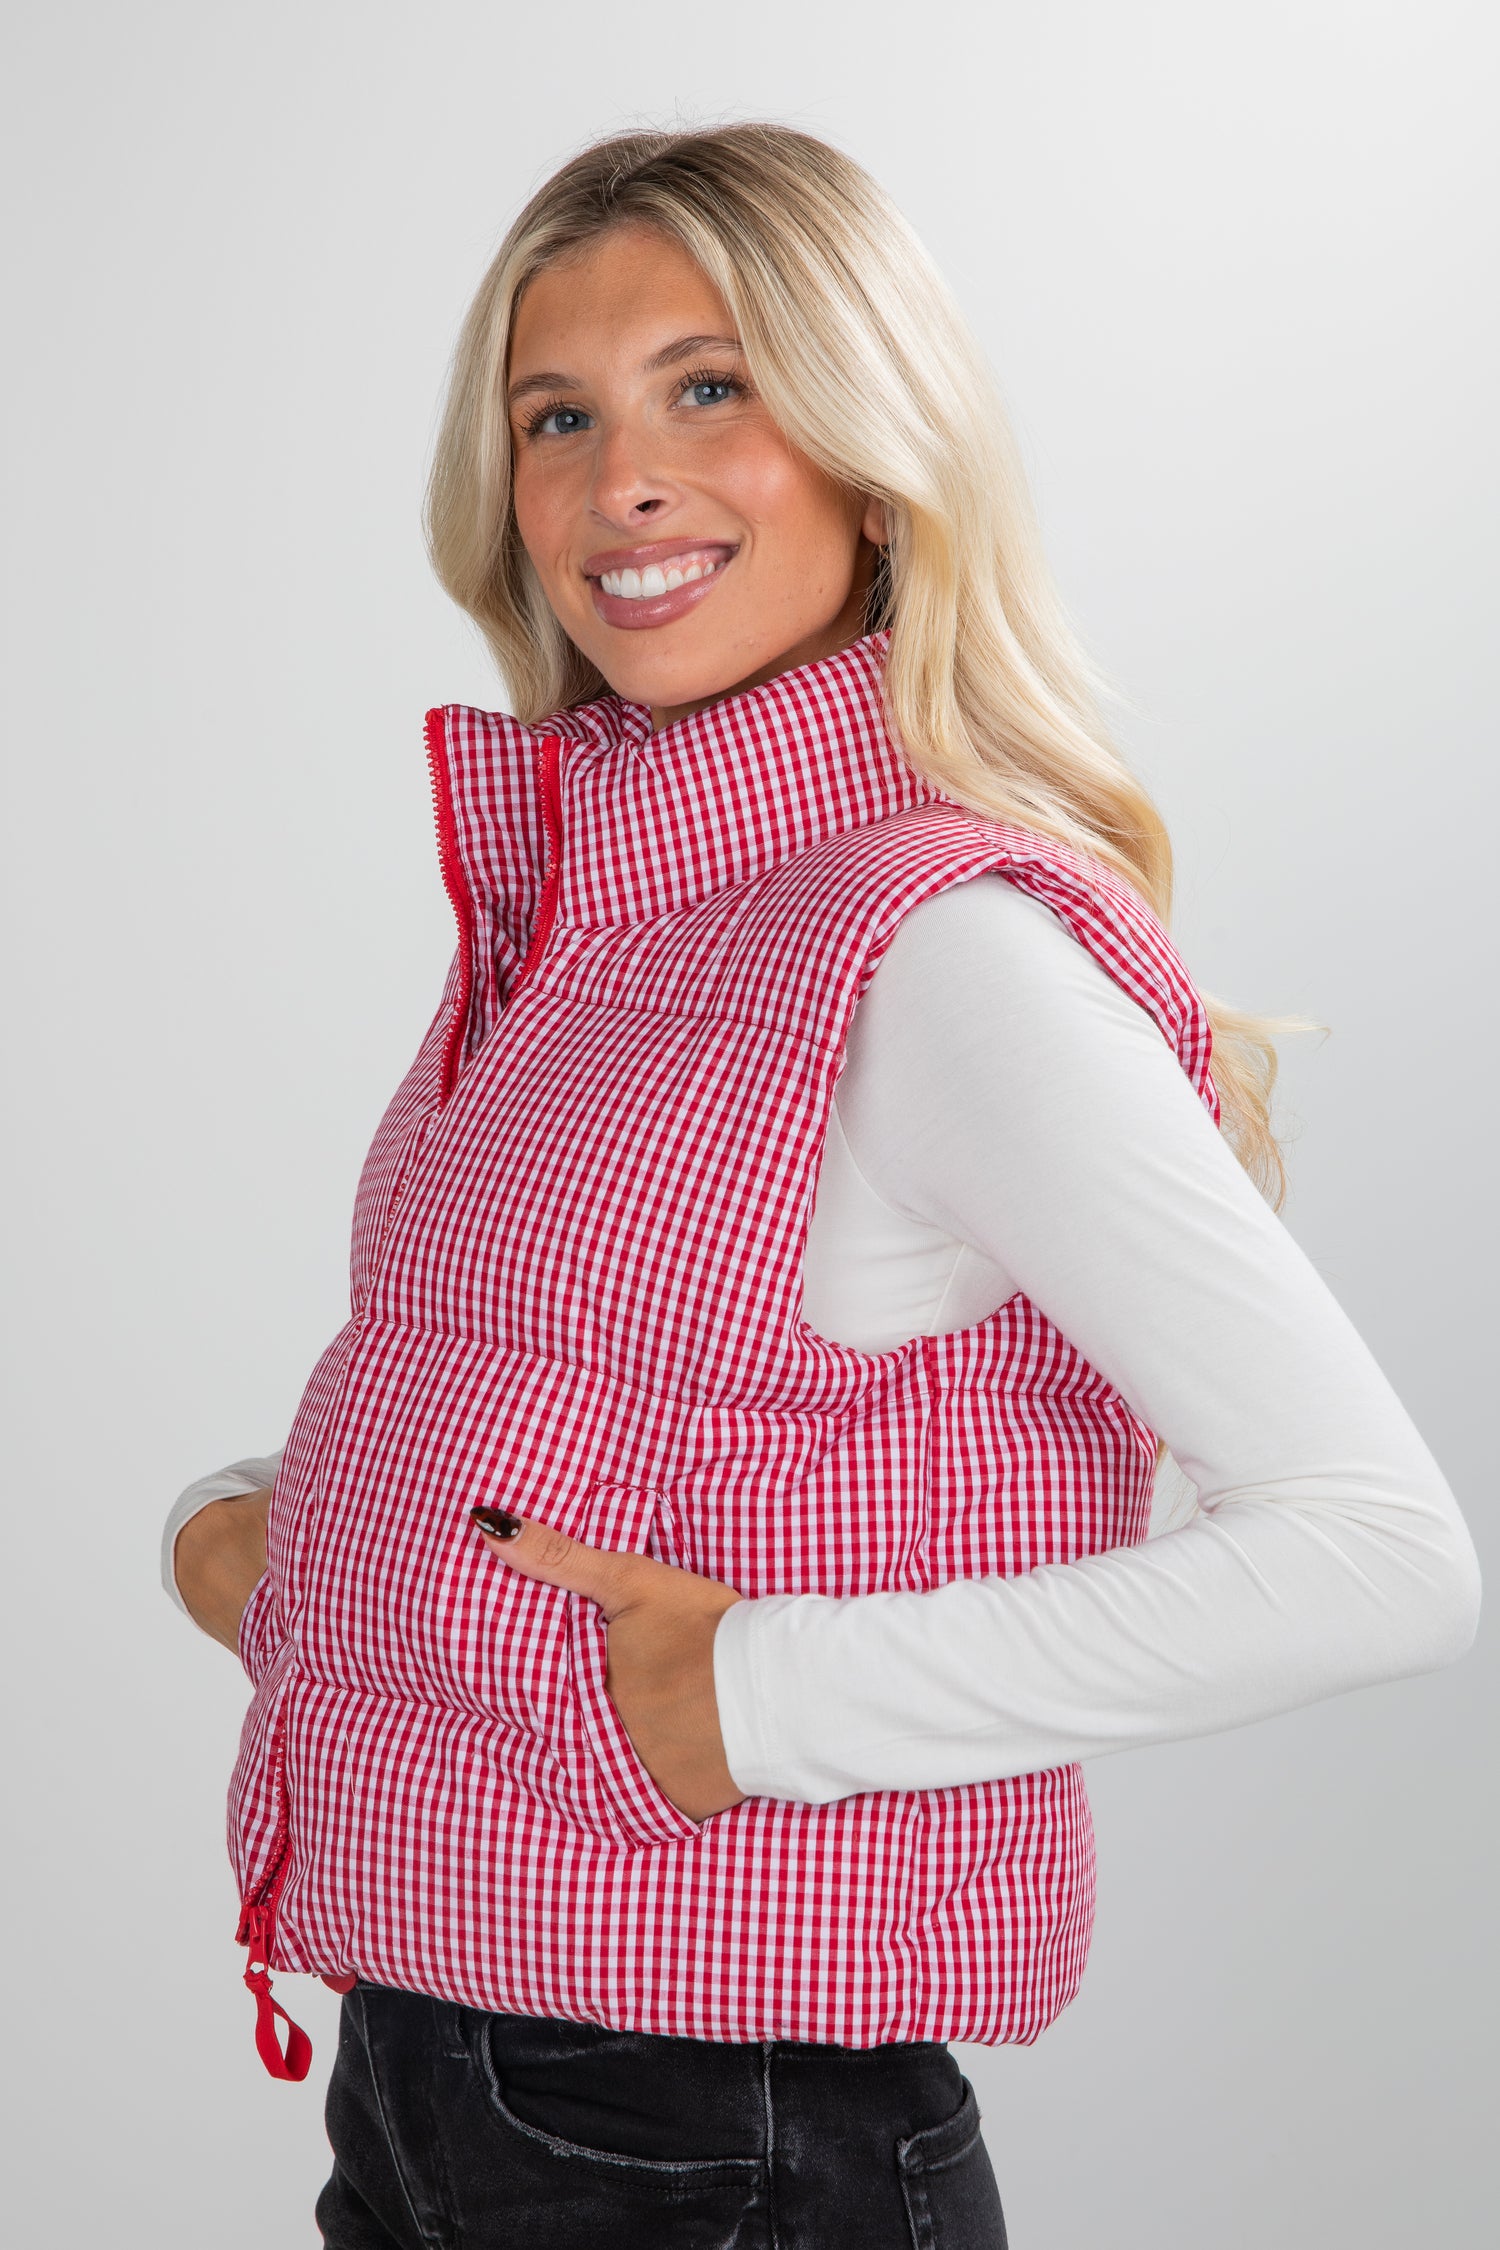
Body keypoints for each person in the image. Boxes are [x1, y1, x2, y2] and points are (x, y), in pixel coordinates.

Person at [165, 123, 1481, 2249]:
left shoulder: (941, 949)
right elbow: (582, 1435)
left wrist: (760, 1698)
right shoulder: (584, 919)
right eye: (556, 418)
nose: (626, 483)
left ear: (878, 452)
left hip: (711, 2127)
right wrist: (269, 1538)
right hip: (434, 2070)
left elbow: (1383, 1553)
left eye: (715, 388)